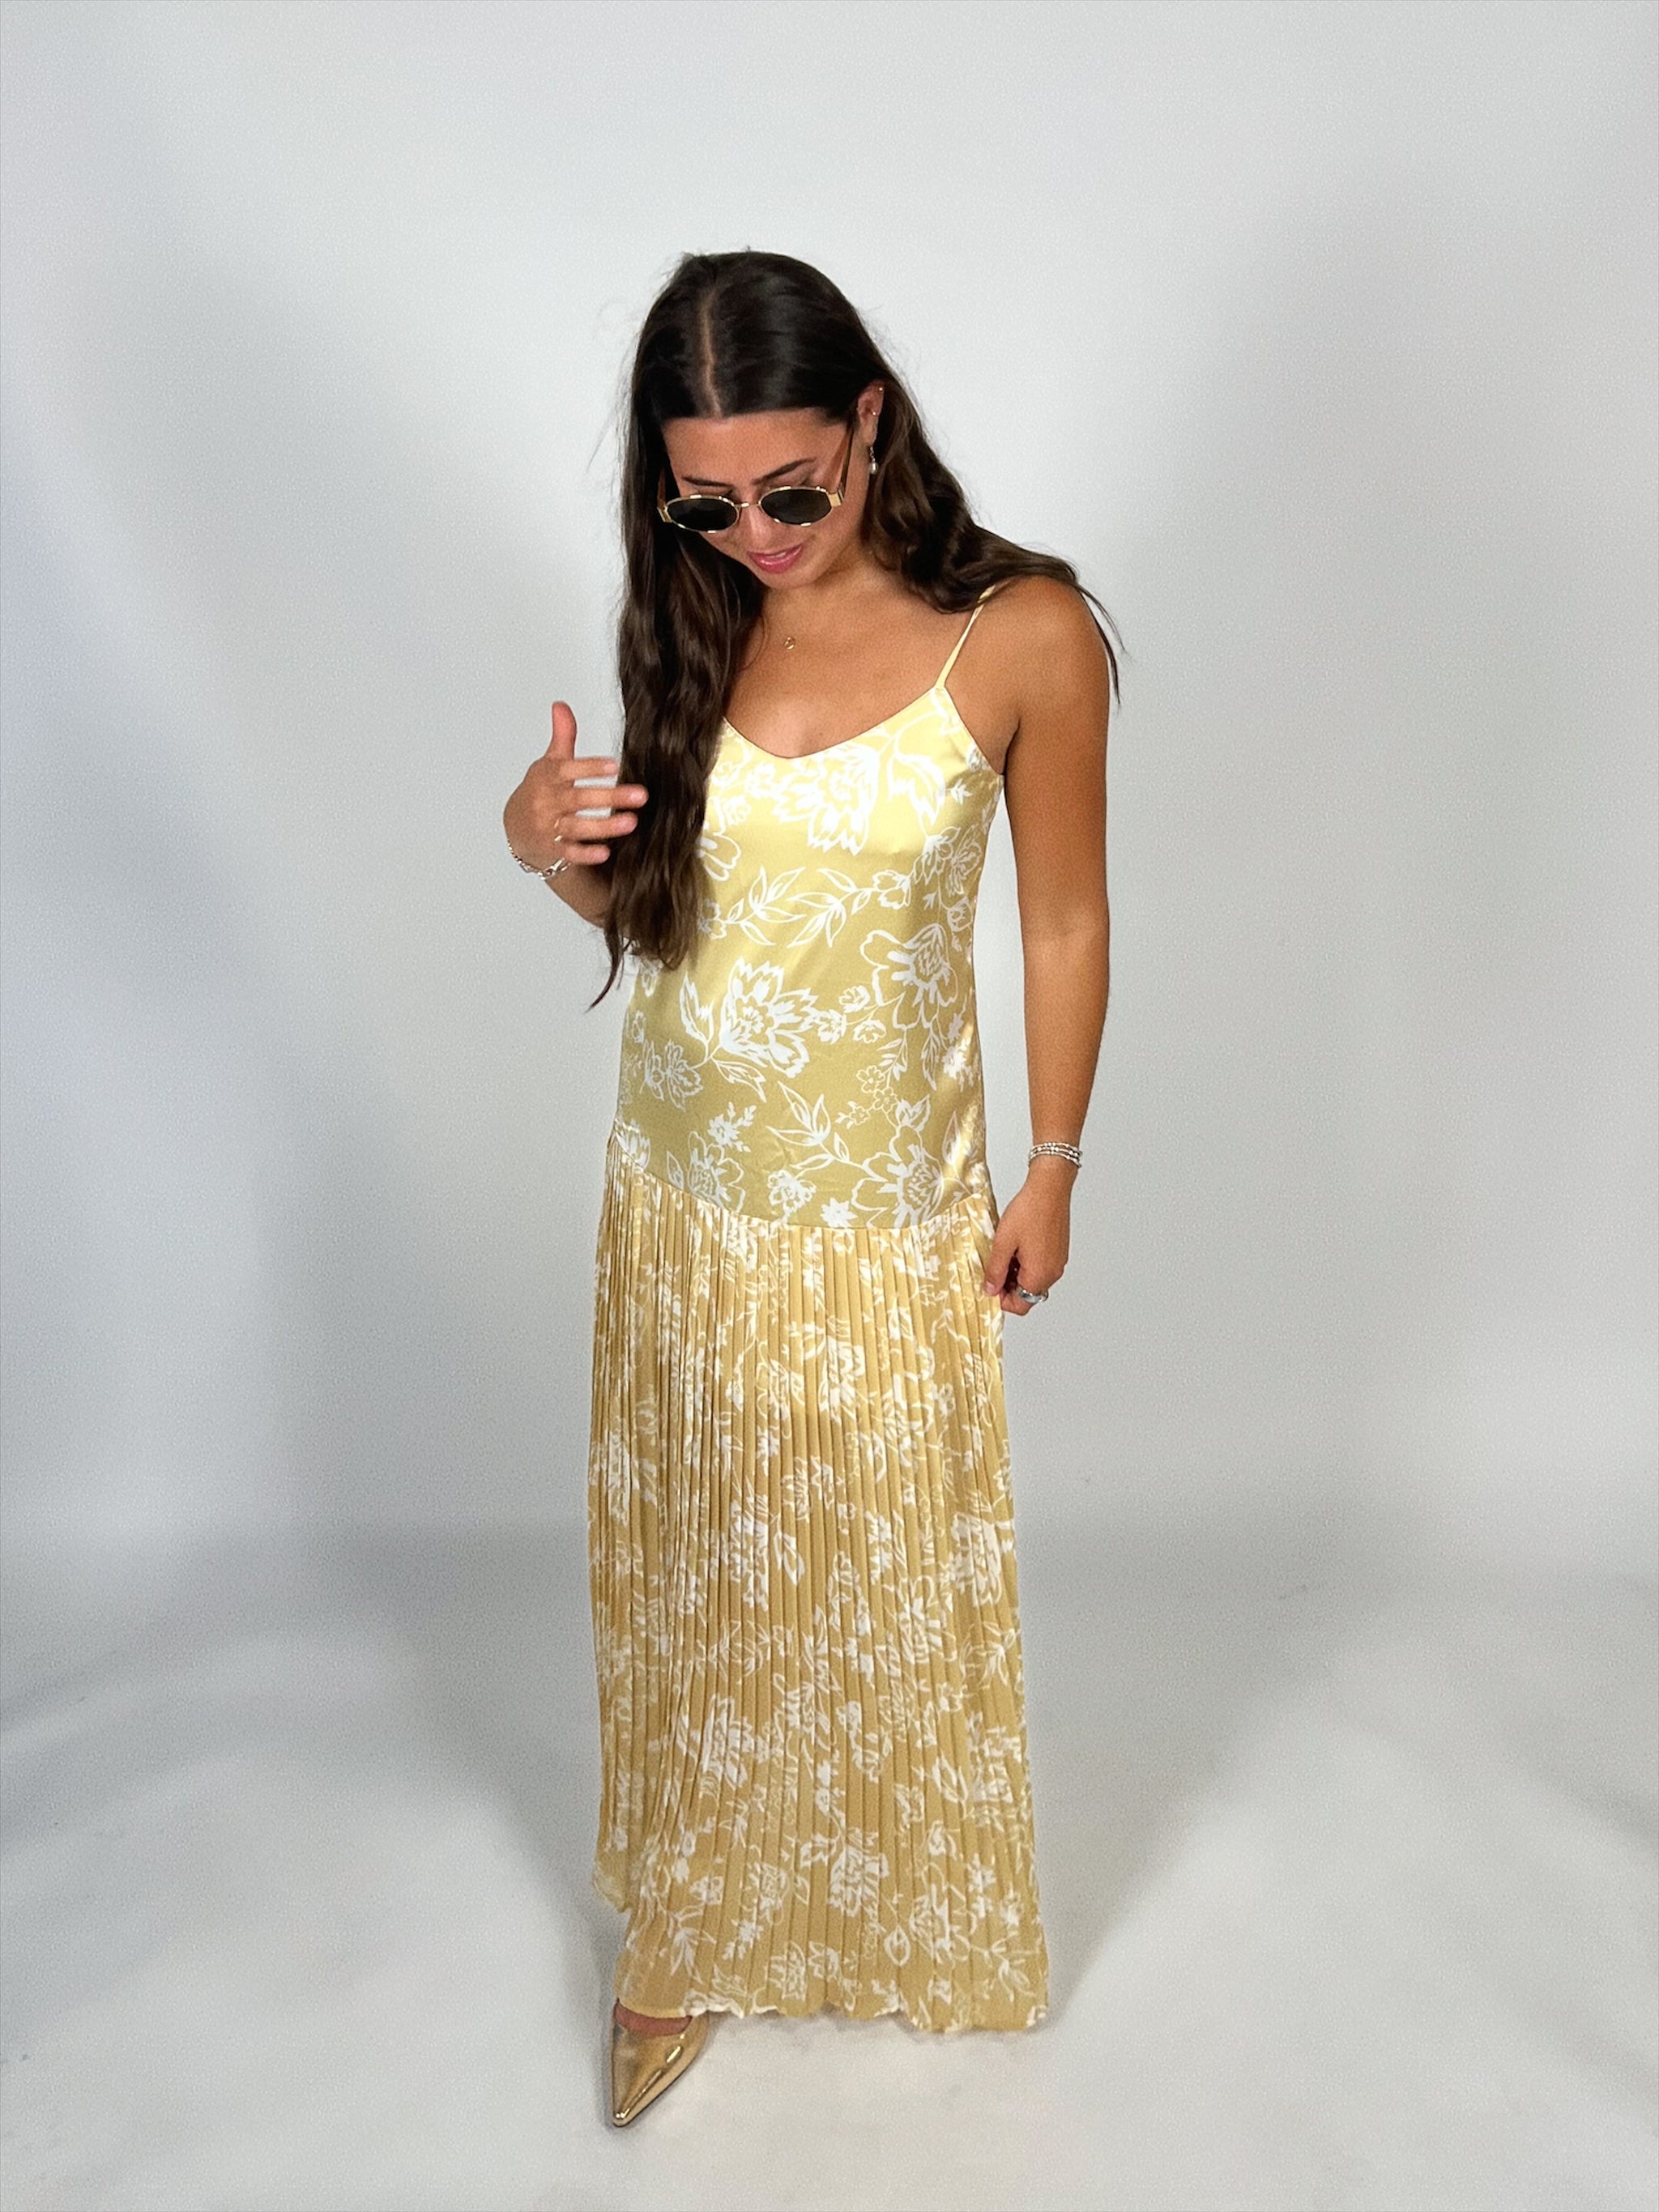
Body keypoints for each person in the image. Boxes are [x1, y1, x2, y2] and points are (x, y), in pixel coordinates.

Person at [502, 249, 1117, 2126]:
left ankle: (869, 1898)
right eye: (705, 502)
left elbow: (1064, 919)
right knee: (703, 1572)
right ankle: (687, 1922)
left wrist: (1054, 1161)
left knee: (866, 1571)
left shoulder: (1020, 635)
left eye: (789, 489)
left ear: (869, 420)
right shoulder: (701, 611)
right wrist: (541, 848)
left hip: (882, 1212)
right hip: (688, 1197)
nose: (753, 535)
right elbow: (671, 917)